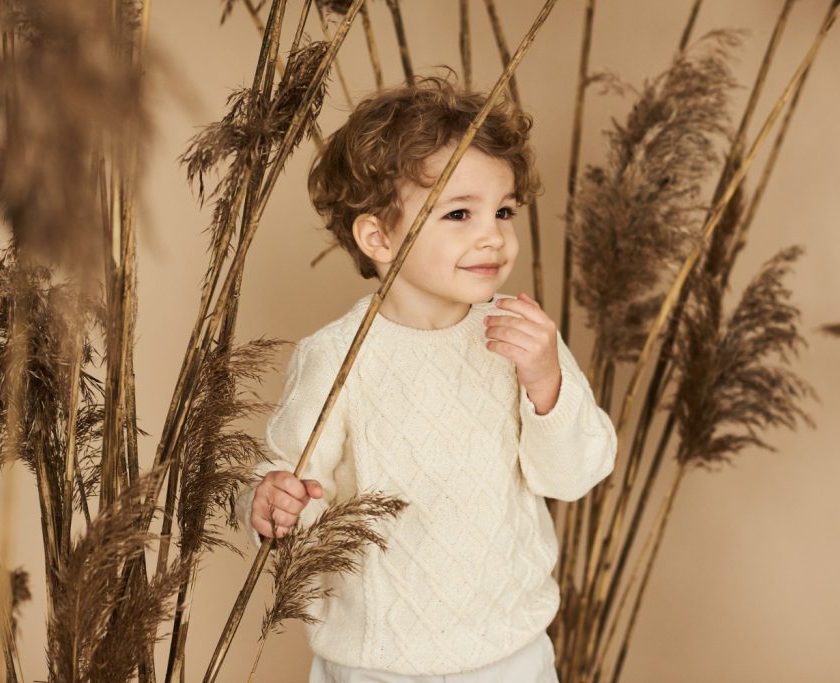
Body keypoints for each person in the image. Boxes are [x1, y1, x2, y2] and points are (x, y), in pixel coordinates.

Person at [240, 75, 617, 682]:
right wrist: (272, 501)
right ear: (378, 236)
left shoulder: (523, 337)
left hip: (510, 651)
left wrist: (547, 384)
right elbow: (295, 486)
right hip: (375, 662)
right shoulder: (336, 357)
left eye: (503, 211)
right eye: (460, 213)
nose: (493, 235)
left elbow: (574, 476)